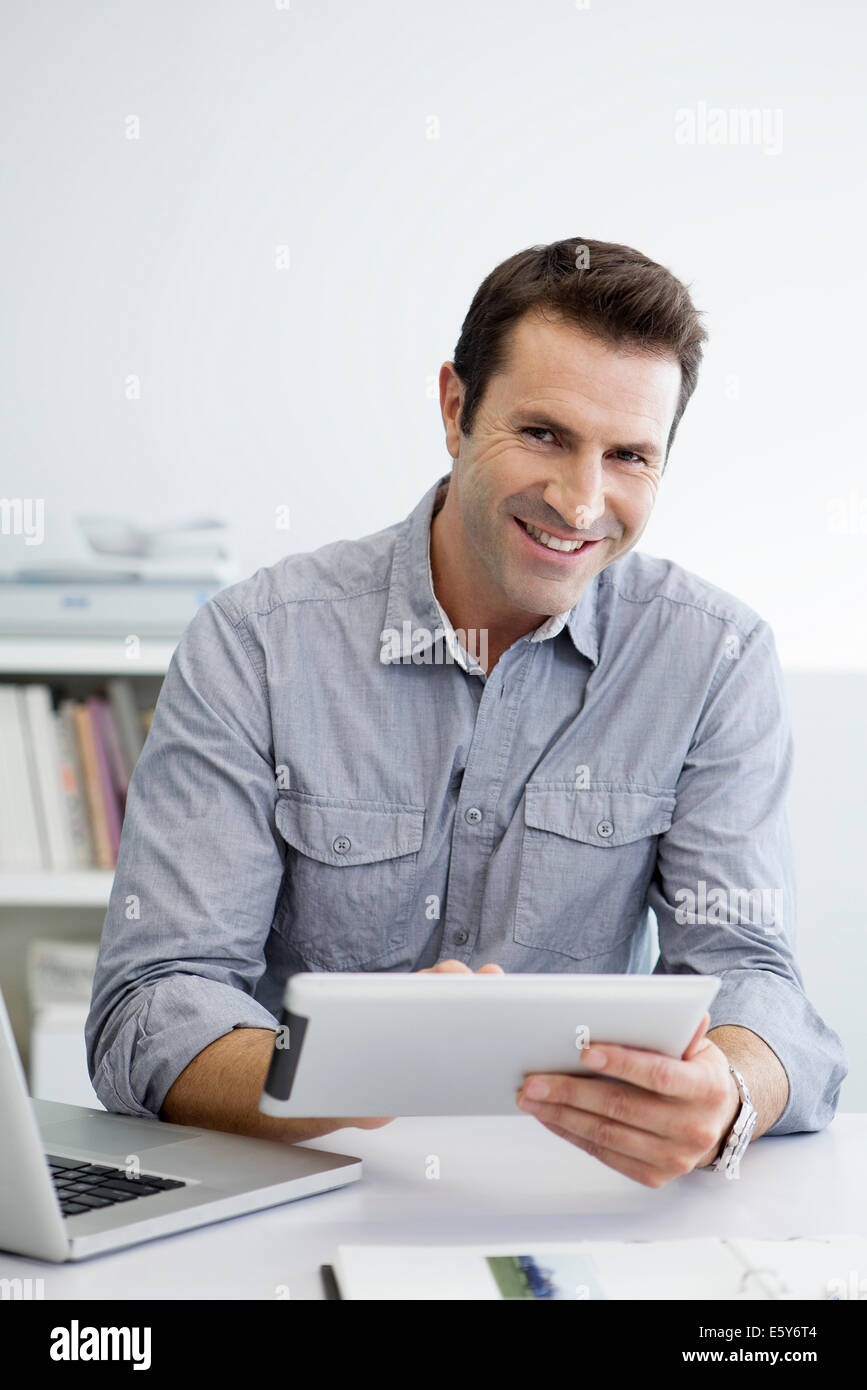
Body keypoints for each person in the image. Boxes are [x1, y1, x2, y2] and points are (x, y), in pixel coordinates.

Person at [86, 237, 847, 1187]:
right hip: (304, 1187)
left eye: (628, 457)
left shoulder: (713, 657)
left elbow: (750, 974)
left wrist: (729, 1093)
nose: (581, 501)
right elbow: (151, 1002)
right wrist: (348, 1068)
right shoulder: (257, 642)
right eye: (543, 434)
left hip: (582, 1198)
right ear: (455, 408)